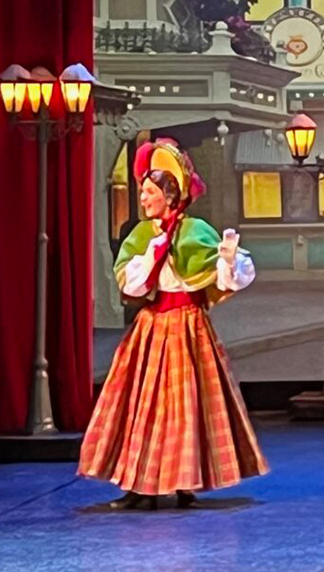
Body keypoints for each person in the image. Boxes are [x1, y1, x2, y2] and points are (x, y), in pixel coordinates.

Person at [80, 140, 265, 509]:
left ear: (169, 194)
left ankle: (184, 481)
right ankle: (138, 485)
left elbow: (226, 276)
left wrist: (227, 260)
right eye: (143, 192)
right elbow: (132, 283)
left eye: (150, 192)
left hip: (189, 328)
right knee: (138, 406)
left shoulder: (195, 231)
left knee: (188, 406)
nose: (144, 200)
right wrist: (152, 253)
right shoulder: (143, 235)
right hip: (151, 329)